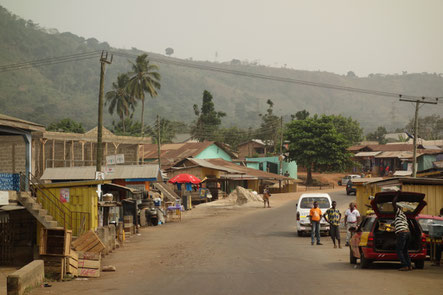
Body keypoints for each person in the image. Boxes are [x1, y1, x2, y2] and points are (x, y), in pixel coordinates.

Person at [392, 194, 412, 271]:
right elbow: (396, 224)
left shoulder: (398, 212)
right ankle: (409, 266)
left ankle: (405, 265)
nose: (393, 210)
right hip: (408, 233)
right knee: (405, 250)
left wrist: (397, 195)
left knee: (399, 250)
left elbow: (394, 203)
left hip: (402, 234)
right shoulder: (403, 216)